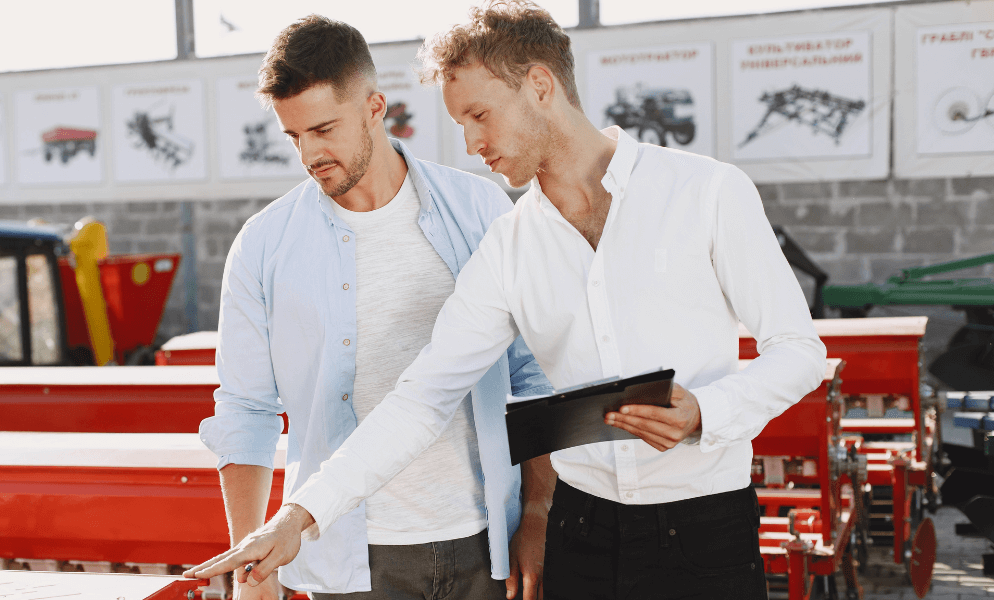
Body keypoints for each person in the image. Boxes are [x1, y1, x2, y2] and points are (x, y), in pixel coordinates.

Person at [191, 1, 827, 598]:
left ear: (540, 86)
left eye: (478, 116)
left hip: (707, 527)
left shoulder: (707, 192)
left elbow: (798, 352)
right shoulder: (508, 243)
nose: (469, 143)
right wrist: (298, 517)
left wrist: (709, 413)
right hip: (582, 533)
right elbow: (423, 396)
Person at [189, 14, 554, 600]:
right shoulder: (263, 246)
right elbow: (246, 413)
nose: (310, 153)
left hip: (485, 543)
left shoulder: (480, 209)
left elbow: (531, 374)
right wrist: (254, 571)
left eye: (325, 129)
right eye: (294, 136)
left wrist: (536, 514)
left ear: (375, 106)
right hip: (345, 557)